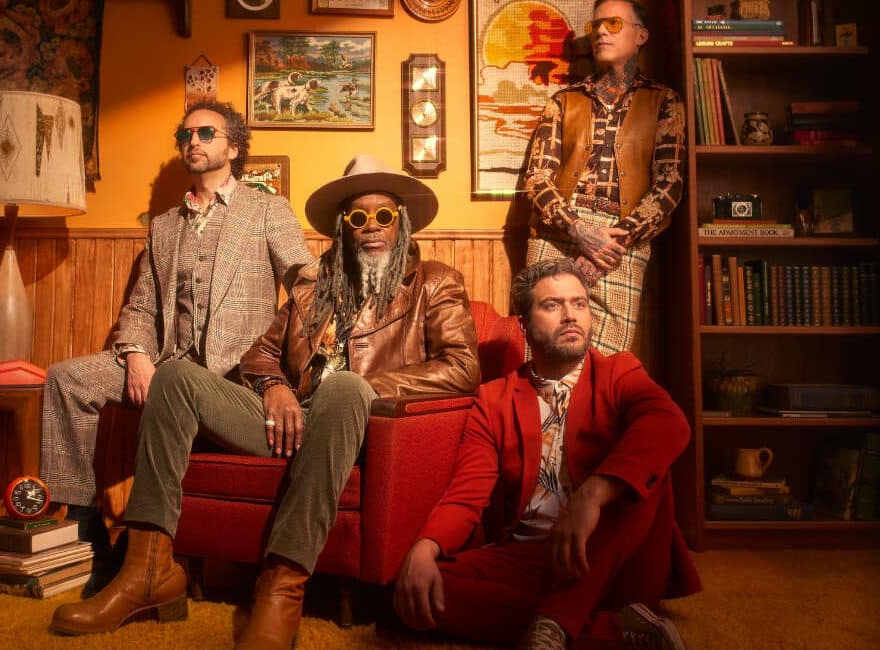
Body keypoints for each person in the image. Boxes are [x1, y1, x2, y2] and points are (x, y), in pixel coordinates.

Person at [48, 154, 481, 646]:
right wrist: (274, 387)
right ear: (343, 227)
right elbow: (260, 355)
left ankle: (282, 585)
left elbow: (462, 367)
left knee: (343, 386)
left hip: (360, 424)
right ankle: (147, 570)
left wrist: (367, 387)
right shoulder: (316, 285)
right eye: (358, 217)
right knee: (174, 376)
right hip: (291, 421)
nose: (371, 226)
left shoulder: (434, 283)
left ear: (401, 222)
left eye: (384, 215)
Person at [39, 101, 313, 592]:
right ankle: (86, 531)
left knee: (178, 381)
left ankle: (143, 556)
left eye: (206, 133)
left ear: (234, 147)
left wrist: (287, 374)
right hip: (167, 363)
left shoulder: (267, 210)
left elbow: (305, 288)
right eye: (185, 135)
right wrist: (136, 355)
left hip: (234, 379)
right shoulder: (165, 225)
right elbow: (142, 306)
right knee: (67, 379)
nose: (193, 141)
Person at [394, 258, 701, 650]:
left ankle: (555, 622)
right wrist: (426, 547)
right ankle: (619, 633)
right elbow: (467, 494)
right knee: (416, 591)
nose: (570, 315)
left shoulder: (619, 372)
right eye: (553, 305)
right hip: (532, 556)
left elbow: (669, 422)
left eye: (579, 303)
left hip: (610, 557)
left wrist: (592, 496)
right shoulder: (495, 399)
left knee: (646, 466)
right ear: (524, 325)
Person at [522, 0, 685, 355]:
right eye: (595, 25)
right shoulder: (562, 101)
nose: (600, 32)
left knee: (607, 362)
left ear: (641, 35)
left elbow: (669, 184)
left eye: (612, 23)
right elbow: (537, 179)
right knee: (541, 353)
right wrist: (579, 231)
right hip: (557, 235)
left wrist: (614, 242)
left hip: (622, 241)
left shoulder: (664, 102)